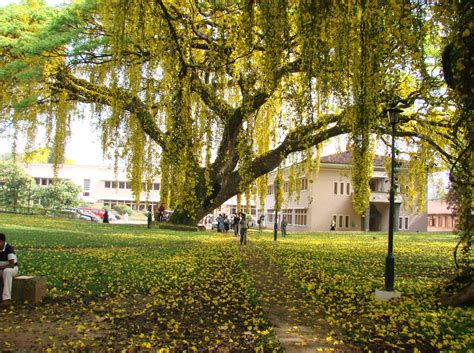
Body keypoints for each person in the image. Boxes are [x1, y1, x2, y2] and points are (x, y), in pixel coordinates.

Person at [0, 233, 19, 306]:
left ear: (2, 241)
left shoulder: (9, 249)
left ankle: (6, 299)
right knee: (5, 271)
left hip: (12, 269)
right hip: (1, 269)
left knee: (7, 271)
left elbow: (12, 265)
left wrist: (1, 268)